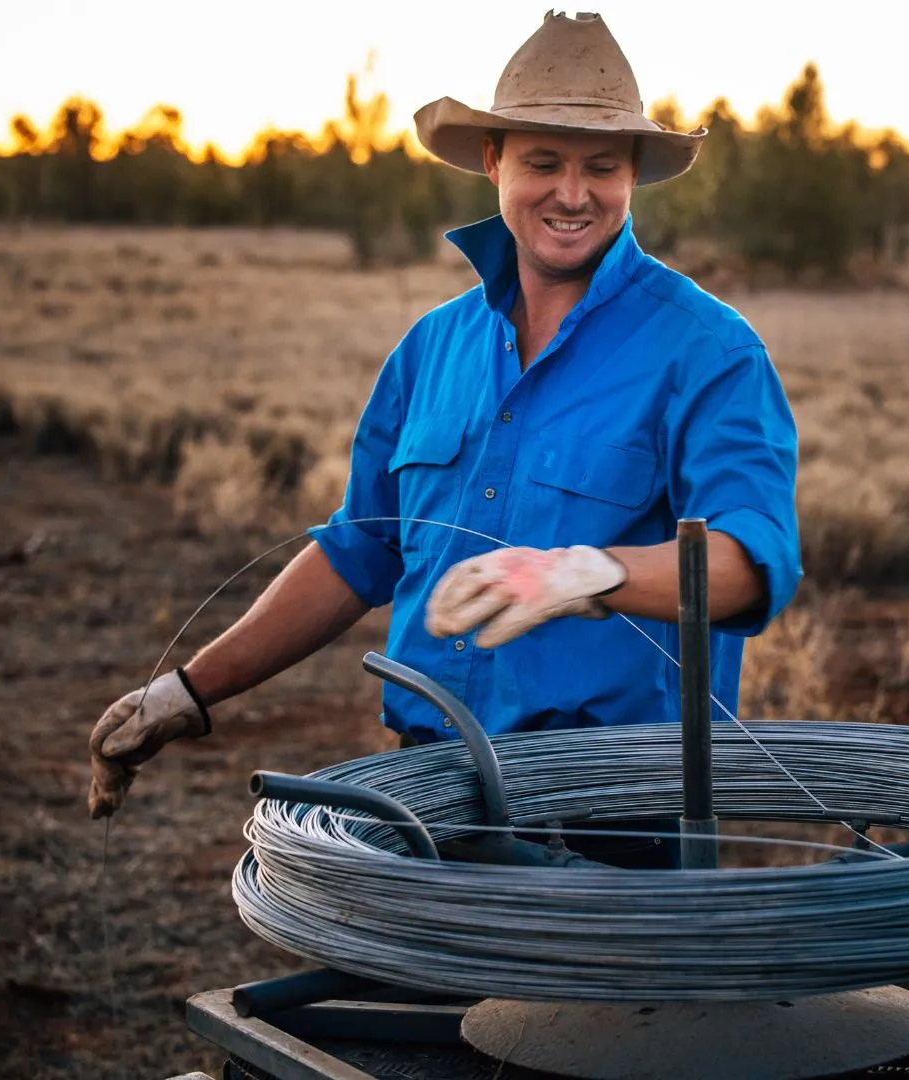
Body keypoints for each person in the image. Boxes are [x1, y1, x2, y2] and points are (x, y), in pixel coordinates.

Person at [88, 10, 802, 821]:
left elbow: (753, 563)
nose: (572, 194)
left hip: (614, 811)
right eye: (543, 162)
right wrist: (187, 691)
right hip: (430, 795)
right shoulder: (434, 348)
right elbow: (361, 547)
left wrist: (586, 574)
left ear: (633, 173)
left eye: (601, 167)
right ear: (493, 160)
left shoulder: (708, 349)